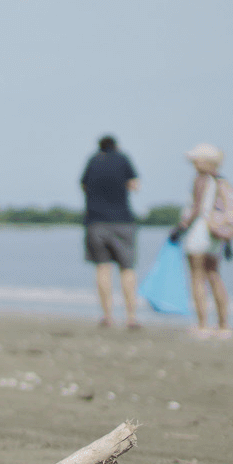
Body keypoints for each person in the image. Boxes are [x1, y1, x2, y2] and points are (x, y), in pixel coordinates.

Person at [80, 134, 142, 328]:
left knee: (102, 268)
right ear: (116, 146)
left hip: (96, 220)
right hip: (122, 220)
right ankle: (131, 317)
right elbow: (135, 185)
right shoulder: (123, 159)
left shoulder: (93, 161)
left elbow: (83, 185)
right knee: (127, 268)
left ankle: (107, 316)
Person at [179, 143, 233, 339]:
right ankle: (223, 325)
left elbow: (196, 208)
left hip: (199, 232)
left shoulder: (201, 179)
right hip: (216, 234)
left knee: (197, 277)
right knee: (214, 275)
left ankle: (202, 324)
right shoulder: (221, 181)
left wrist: (182, 227)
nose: (194, 163)